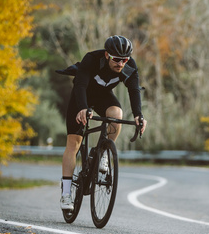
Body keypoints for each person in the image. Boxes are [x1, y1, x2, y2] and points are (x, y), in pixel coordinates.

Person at [58, 35, 147, 210]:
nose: (120, 64)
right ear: (107, 55)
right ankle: (66, 194)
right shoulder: (92, 59)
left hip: (102, 97)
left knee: (116, 113)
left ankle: (104, 153)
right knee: (74, 143)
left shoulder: (129, 66)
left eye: (124, 60)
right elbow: (80, 85)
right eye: (116, 59)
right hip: (81, 96)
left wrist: (139, 115)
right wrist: (83, 108)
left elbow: (134, 90)